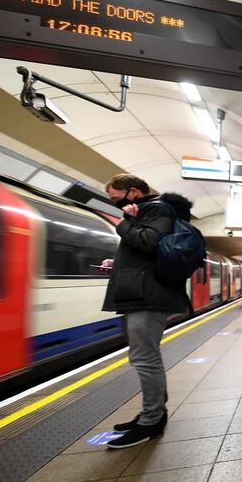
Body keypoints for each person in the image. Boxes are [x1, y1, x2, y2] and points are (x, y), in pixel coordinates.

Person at [100, 173, 193, 449]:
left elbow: (150, 242)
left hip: (148, 295)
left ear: (133, 192)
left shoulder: (157, 209)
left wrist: (125, 222)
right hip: (143, 291)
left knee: (144, 358)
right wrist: (116, 263)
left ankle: (152, 420)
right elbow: (144, 251)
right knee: (144, 356)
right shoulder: (150, 210)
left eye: (116, 198)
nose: (115, 203)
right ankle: (153, 413)